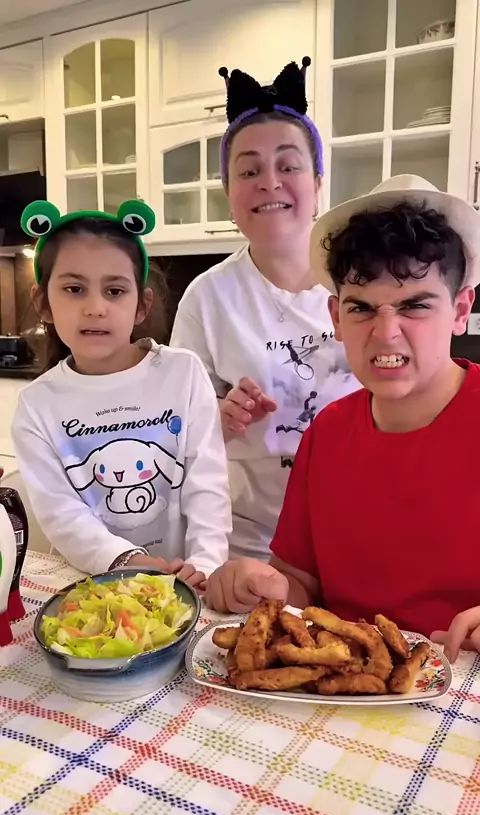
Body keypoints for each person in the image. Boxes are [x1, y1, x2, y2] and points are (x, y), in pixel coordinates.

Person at [205, 174, 480, 662]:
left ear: (460, 309)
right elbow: (299, 584)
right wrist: (261, 584)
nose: (386, 332)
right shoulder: (326, 433)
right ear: (335, 317)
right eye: (362, 309)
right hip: (345, 686)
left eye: (415, 305)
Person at [171, 57, 360, 563]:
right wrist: (219, 417)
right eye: (249, 170)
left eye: (288, 165)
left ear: (317, 181)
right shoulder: (207, 298)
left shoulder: (363, 283)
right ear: (228, 193)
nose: (269, 182)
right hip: (249, 545)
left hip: (360, 530)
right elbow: (178, 431)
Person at [12, 199, 231, 588]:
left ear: (141, 306)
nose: (96, 307)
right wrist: (126, 560)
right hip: (91, 586)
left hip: (186, 582)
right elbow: (61, 512)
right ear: (43, 302)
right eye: (74, 289)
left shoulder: (182, 373)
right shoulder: (37, 406)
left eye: (114, 290)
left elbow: (207, 484)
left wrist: (206, 564)